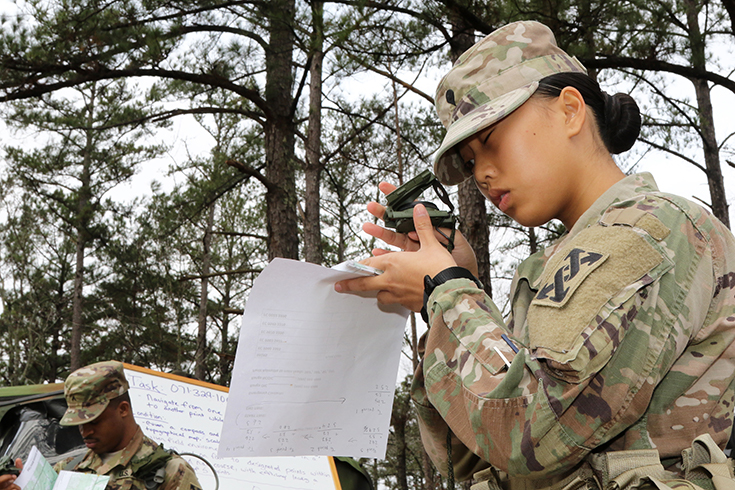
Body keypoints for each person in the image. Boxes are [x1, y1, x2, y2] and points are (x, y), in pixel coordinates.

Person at [335, 20, 735, 489]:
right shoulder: (546, 270)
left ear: (569, 111)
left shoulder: (649, 229)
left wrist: (447, 292)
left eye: (489, 141)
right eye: (468, 161)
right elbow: (465, 456)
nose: (481, 174)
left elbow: (529, 434)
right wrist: (456, 287)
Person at [55, 360, 202, 490]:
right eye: (80, 424)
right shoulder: (67, 469)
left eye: (94, 422)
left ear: (123, 410)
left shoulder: (171, 472)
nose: (85, 432)